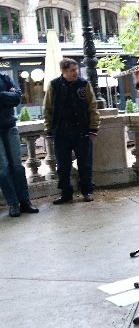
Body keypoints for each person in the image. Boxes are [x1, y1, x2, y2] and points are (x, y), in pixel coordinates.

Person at [43, 58, 100, 204]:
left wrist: (93, 128)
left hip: (82, 131)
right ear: (64, 71)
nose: (76, 72)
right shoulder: (54, 85)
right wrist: (49, 129)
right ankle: (66, 193)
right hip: (61, 132)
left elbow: (92, 107)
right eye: (72, 70)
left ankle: (87, 190)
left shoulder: (84, 84)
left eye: (76, 69)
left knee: (85, 163)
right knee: (63, 165)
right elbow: (48, 108)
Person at [0, 73, 39, 217]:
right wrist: (7, 95)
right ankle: (13, 203)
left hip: (10, 126)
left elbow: (17, 98)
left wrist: (2, 95)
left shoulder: (4, 77)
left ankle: (25, 201)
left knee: (17, 165)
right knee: (3, 168)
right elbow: (13, 96)